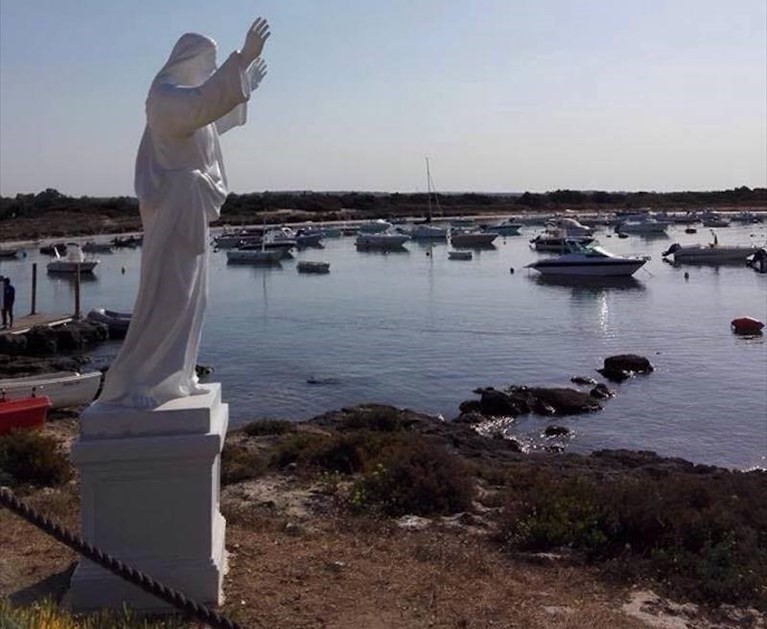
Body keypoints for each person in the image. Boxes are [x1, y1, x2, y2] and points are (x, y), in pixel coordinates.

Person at [98, 18, 270, 408]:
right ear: (188, 59)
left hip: (188, 207)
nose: (211, 70)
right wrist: (239, 60)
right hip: (172, 208)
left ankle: (177, 373)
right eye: (208, 62)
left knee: (195, 297)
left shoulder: (184, 101)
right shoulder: (164, 97)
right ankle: (139, 380)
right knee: (168, 296)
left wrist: (244, 81)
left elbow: (211, 119)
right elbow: (203, 105)